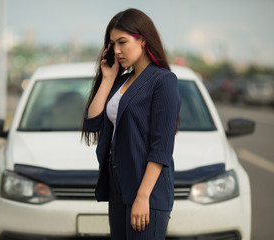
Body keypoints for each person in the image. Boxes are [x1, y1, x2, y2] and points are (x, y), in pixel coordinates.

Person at [81, 8, 181, 240]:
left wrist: (143, 196)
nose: (117, 50)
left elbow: (162, 148)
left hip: (147, 193)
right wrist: (107, 78)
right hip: (119, 188)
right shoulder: (121, 81)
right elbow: (93, 121)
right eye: (113, 44)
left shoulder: (163, 81)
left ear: (143, 39)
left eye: (123, 42)